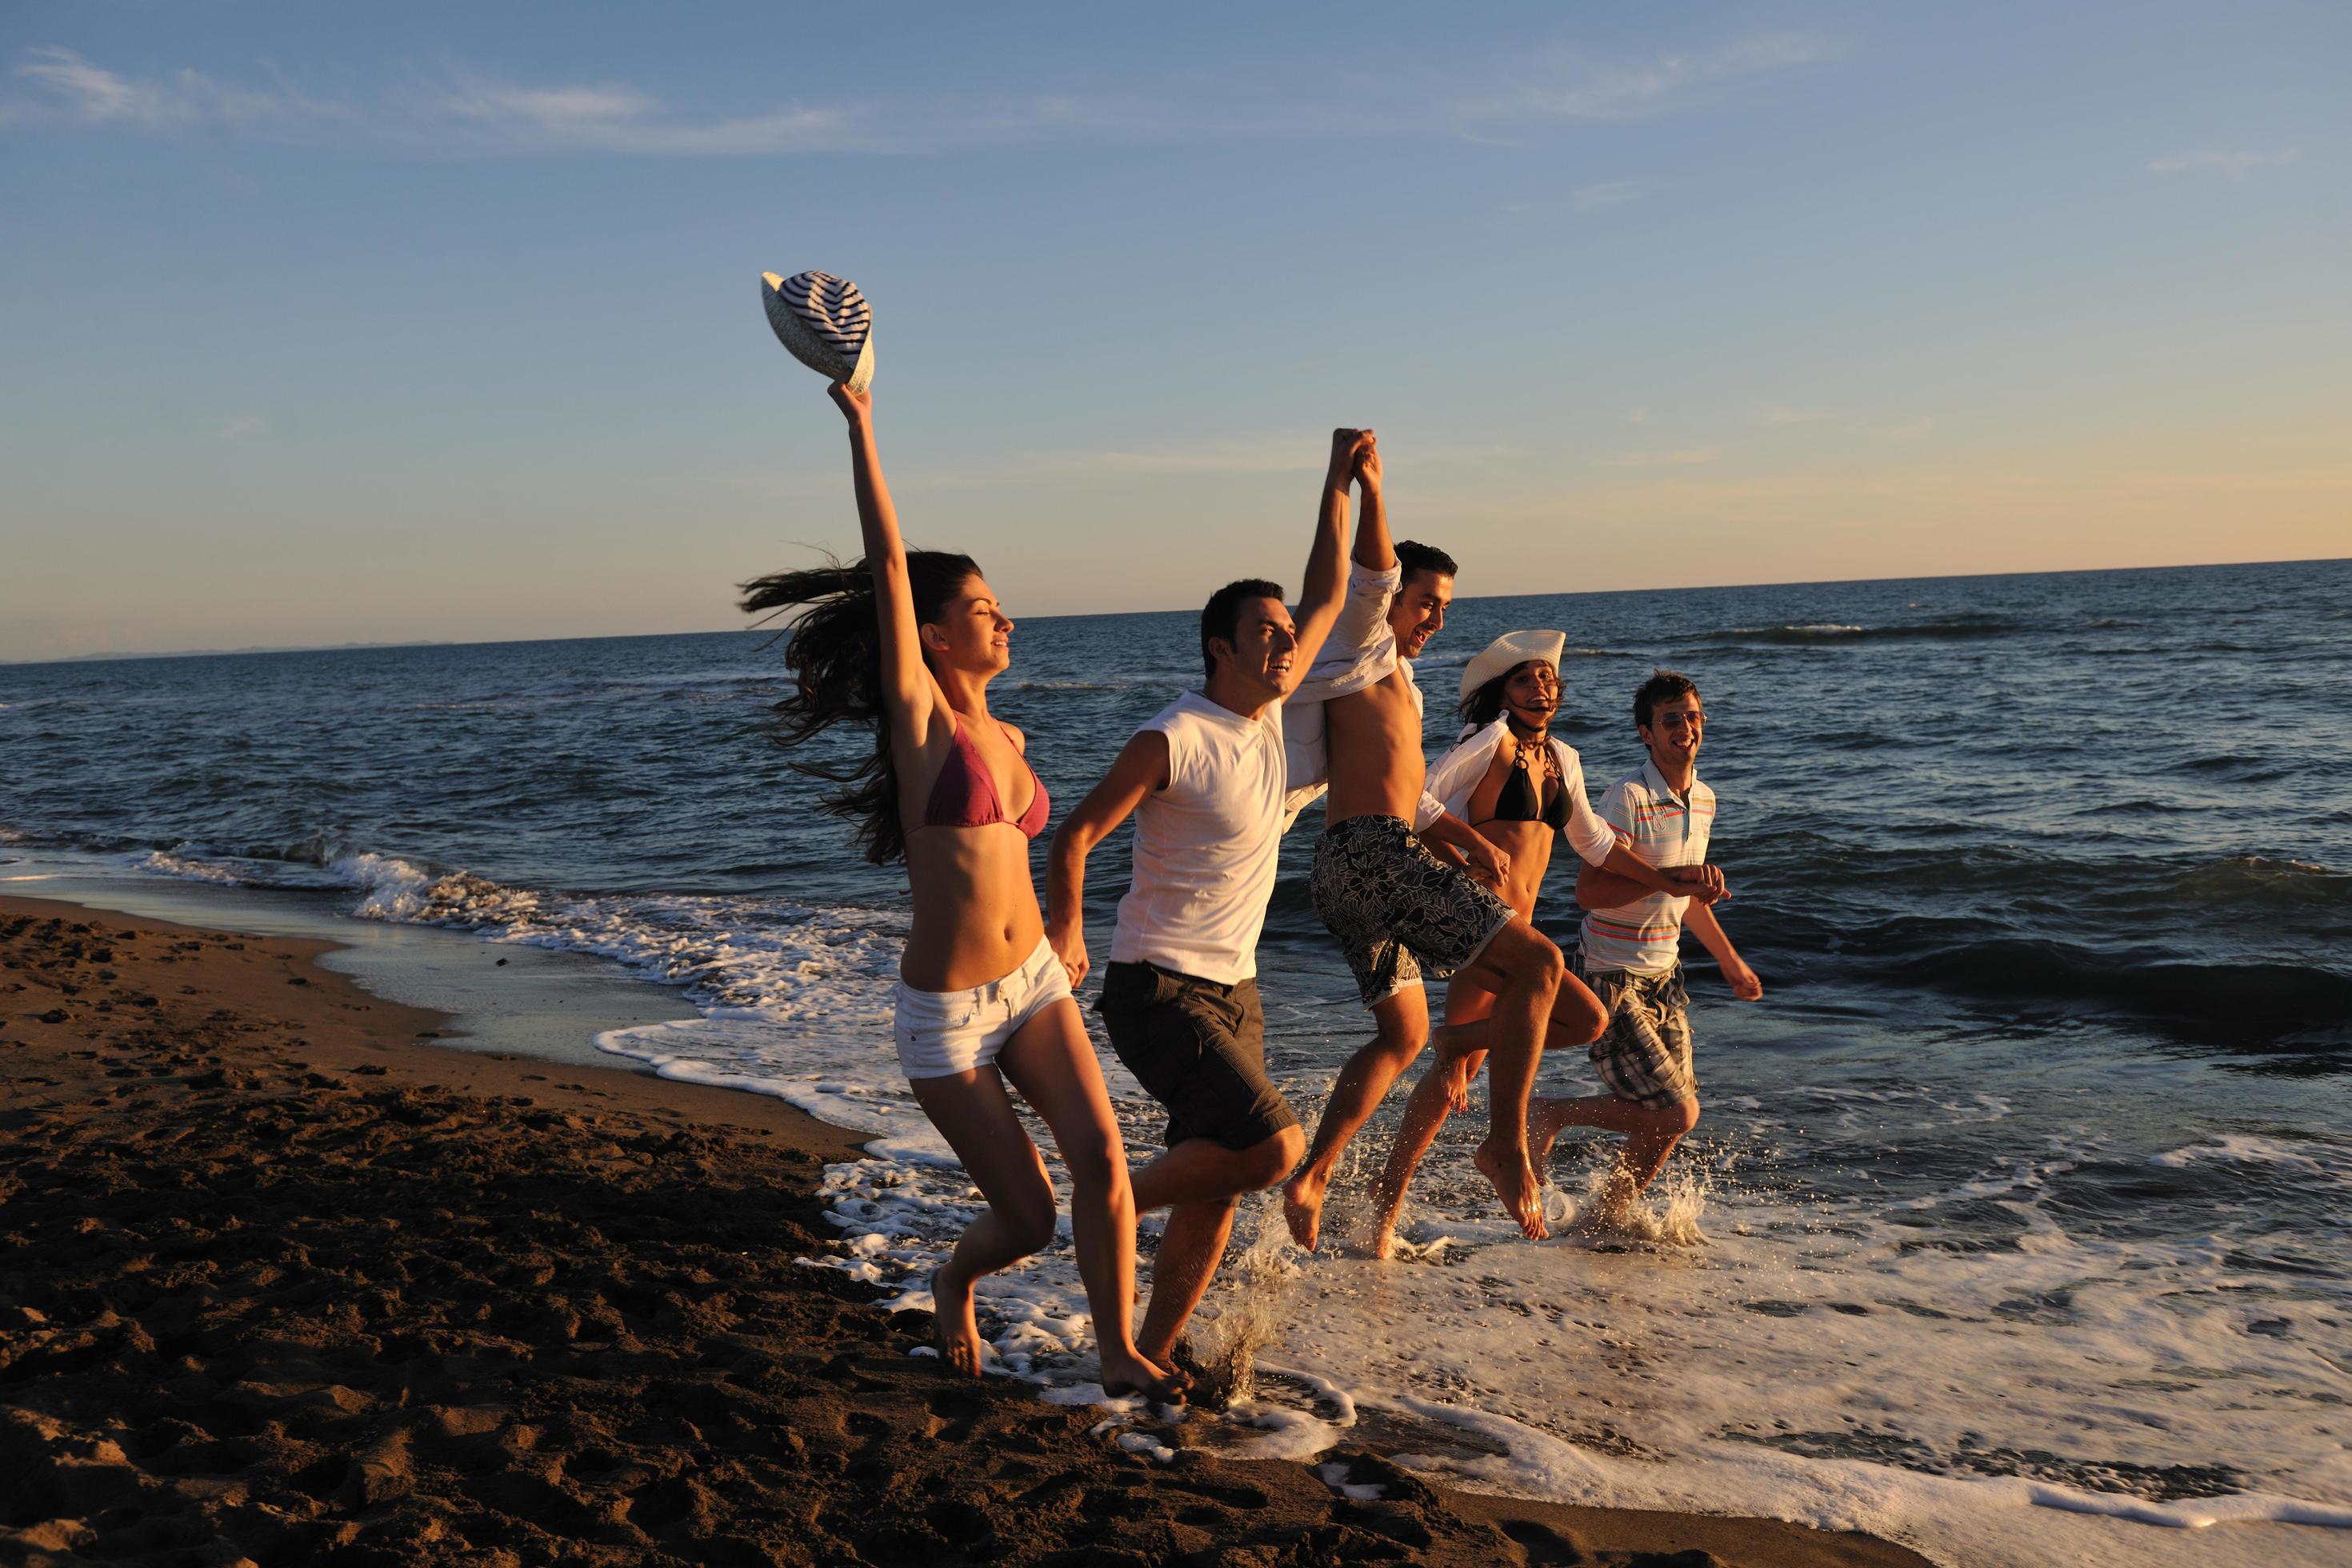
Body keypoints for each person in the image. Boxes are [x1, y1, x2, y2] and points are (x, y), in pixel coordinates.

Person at [740, 382, 1178, 1402]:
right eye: (983, 609)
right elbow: (889, 568)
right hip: (945, 1018)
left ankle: (1116, 1350)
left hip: (1031, 983)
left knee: (1103, 1154)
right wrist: (862, 425)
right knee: (1025, 1220)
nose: (1005, 618)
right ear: (934, 636)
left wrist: (1063, 930)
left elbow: (1039, 857)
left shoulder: (1011, 738)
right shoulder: (920, 725)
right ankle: (952, 1280)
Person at [1046, 427, 1362, 1376]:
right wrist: (1065, 922)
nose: (1286, 644)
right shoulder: (1173, 736)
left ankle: (1146, 1353)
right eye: (1267, 635)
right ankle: (1105, 1205)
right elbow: (1073, 837)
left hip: (1237, 989)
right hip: (1157, 985)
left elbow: (1332, 592)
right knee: (1273, 1148)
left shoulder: (1266, 718)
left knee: (1217, 1188)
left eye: (1285, 635)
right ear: (1220, 648)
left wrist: (1336, 481)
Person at [1276, 460, 1585, 1248]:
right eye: (1425, 602)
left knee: (1403, 1037)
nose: (1435, 619)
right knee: (1542, 971)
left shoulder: (1402, 687)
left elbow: (1412, 795)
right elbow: (1371, 573)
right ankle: (1506, 1145)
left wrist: (1462, 837)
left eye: (1446, 608)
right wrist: (1368, 484)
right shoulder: (1359, 644)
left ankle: (1313, 1176)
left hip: (1350, 865)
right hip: (1373, 855)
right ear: (1392, 599)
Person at [1362, 633, 1719, 1256]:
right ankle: (1388, 1209)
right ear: (1504, 690)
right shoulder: (1488, 742)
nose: (1542, 689)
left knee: (1556, 1031)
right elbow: (1412, 803)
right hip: (1476, 921)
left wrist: (1665, 881)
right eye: (1526, 680)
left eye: (1549, 680)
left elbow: (1599, 846)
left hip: (1516, 930)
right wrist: (1468, 850)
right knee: (1491, 1060)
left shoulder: (1564, 758)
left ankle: (1388, 1195)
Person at [1527, 669, 1761, 1219]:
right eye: (1670, 719)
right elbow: (1591, 889)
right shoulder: (1627, 797)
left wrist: (1731, 963)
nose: (1685, 727)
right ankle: (1549, 1112)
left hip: (1665, 974)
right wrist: (1672, 876)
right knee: (1676, 1112)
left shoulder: (1703, 799)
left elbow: (1689, 896)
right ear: (1646, 733)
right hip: (1610, 973)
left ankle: (1609, 1217)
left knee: (1672, 1116)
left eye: (1692, 716)